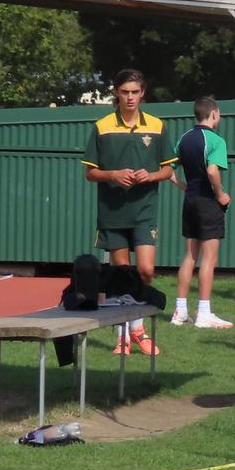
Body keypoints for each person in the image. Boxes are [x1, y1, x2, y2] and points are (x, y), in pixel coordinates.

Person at [82, 68, 175, 355]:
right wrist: (113, 175)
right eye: (125, 92)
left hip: (144, 210)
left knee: (145, 270)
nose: (130, 97)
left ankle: (138, 329)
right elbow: (90, 173)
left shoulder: (157, 126)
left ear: (143, 93)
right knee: (122, 276)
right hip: (113, 212)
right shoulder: (102, 126)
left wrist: (151, 175)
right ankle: (126, 334)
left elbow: (169, 168)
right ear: (116, 94)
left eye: (135, 92)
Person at [170, 96, 233, 329]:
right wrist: (220, 195)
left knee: (190, 256)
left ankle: (180, 311)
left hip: (190, 200)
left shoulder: (184, 138)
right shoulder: (216, 140)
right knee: (209, 257)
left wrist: (184, 186)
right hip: (207, 201)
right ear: (214, 113)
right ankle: (204, 313)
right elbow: (213, 171)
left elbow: (167, 170)